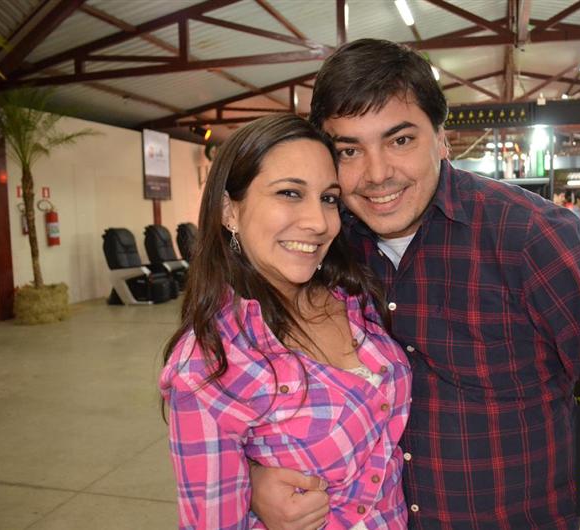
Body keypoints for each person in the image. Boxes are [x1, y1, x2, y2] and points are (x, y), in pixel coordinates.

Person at [250, 39, 580, 530]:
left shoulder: (531, 238)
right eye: (349, 150)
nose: (377, 174)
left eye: (400, 140)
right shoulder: (325, 247)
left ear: (441, 138)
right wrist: (254, 479)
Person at [159, 114, 412, 529]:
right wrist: (250, 491)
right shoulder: (210, 364)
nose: (318, 222)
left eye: (328, 198)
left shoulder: (352, 298)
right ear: (229, 210)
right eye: (290, 193)